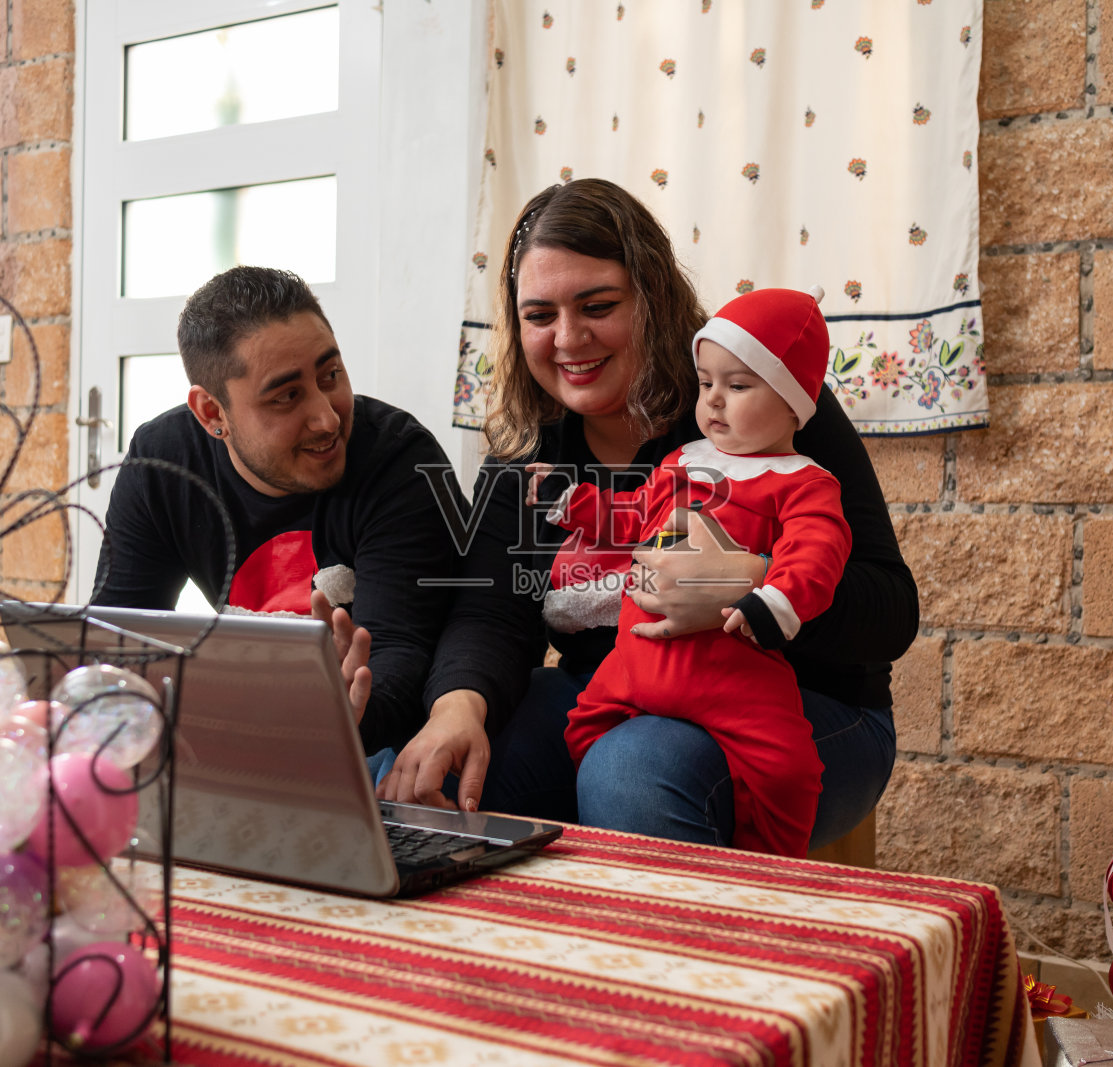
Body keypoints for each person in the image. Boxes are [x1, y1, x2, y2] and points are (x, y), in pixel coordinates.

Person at [380, 179, 918, 852]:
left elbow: (892, 610)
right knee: (416, 768)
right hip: (618, 689)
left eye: (598, 305)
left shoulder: (756, 394)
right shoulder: (527, 446)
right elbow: (490, 611)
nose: (569, 338)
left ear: (653, 297)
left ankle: (688, 955)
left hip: (804, 708)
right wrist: (458, 704)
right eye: (539, 315)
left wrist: (747, 582)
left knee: (632, 767)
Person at [527, 285, 852, 856]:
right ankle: (597, 862)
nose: (714, 402)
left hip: (732, 676)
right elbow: (633, 516)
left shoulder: (804, 481)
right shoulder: (682, 461)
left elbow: (818, 551)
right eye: (707, 384)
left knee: (789, 771)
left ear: (792, 398)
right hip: (635, 662)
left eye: (739, 386)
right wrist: (574, 502)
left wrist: (776, 599)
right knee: (579, 729)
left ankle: (765, 870)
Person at [93, 265, 463, 756]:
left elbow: (398, 659)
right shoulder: (165, 462)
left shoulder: (400, 459)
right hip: (258, 725)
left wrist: (326, 714)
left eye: (331, 375)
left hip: (392, 735)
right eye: (287, 396)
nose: (328, 418)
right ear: (211, 413)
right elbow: (116, 639)